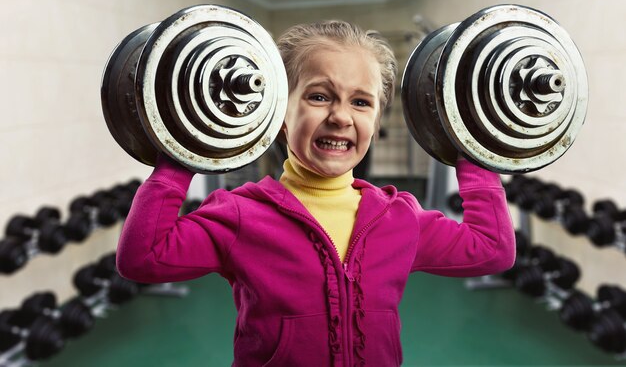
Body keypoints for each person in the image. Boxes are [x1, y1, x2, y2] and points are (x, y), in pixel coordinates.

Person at [116, 20, 515, 366]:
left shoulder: (399, 218)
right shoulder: (239, 215)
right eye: (319, 96)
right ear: (278, 113)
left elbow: (493, 248)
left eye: (361, 102)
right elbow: (142, 257)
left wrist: (473, 144)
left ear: (375, 122)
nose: (341, 117)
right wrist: (183, 145)